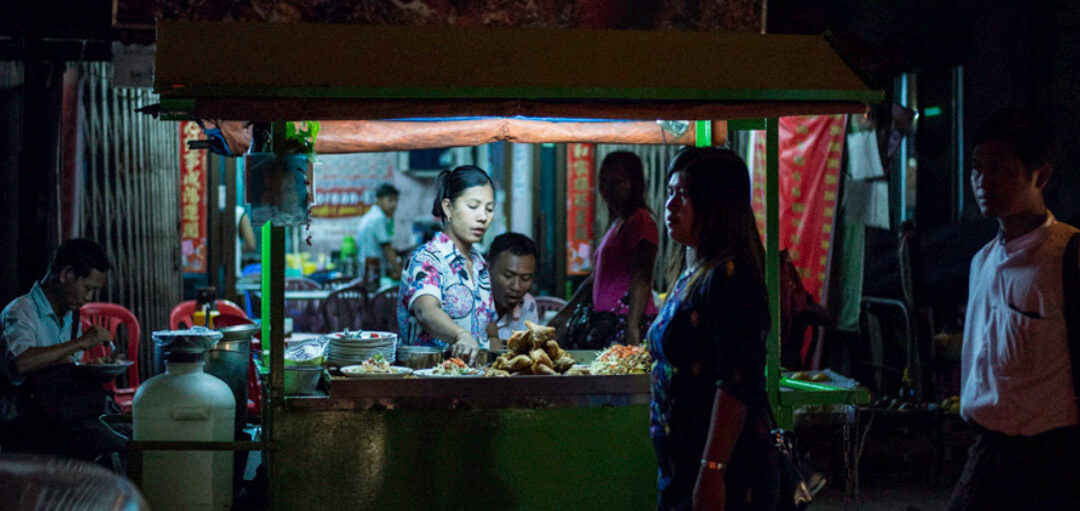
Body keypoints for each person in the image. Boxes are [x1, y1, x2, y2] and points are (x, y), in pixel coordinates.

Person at [947, 109, 1080, 510]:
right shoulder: (982, 261)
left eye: (1001, 170)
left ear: (1040, 176)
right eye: (976, 168)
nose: (983, 182)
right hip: (987, 451)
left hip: (1049, 462)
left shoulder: (1065, 256)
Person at [647, 147, 778, 510]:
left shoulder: (729, 276)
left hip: (726, 474)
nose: (670, 205)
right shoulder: (692, 273)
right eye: (670, 192)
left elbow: (737, 382)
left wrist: (713, 470)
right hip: (682, 467)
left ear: (715, 203)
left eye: (684, 195)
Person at [0, 238, 124, 465]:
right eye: (87, 288)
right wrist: (80, 343)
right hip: (28, 422)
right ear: (67, 274)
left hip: (59, 416)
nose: (89, 298)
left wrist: (102, 367)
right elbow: (21, 363)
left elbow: (63, 367)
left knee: (121, 436)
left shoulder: (69, 315)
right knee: (106, 445)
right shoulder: (20, 312)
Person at [549, 151, 658, 348]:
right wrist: (565, 313)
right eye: (604, 179)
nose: (609, 187)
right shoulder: (619, 222)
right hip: (608, 322)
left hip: (624, 323)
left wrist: (632, 329)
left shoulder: (641, 220)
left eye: (618, 180)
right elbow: (597, 277)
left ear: (635, 183)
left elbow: (642, 276)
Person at [398, 166, 499, 363]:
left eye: (489, 209)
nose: (483, 217)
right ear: (448, 207)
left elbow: (490, 331)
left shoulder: (479, 264)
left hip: (476, 381)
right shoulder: (427, 258)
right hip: (430, 381)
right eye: (473, 206)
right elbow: (425, 311)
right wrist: (460, 335)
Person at [488, 232, 539, 341]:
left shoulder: (528, 305)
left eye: (525, 278)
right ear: (489, 269)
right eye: (508, 276)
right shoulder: (468, 303)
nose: (516, 287)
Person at [358, 183, 403, 286]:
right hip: (373, 269)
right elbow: (388, 249)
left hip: (367, 266)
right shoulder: (378, 218)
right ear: (379, 200)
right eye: (390, 200)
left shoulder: (372, 215)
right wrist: (402, 276)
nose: (394, 205)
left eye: (396, 200)